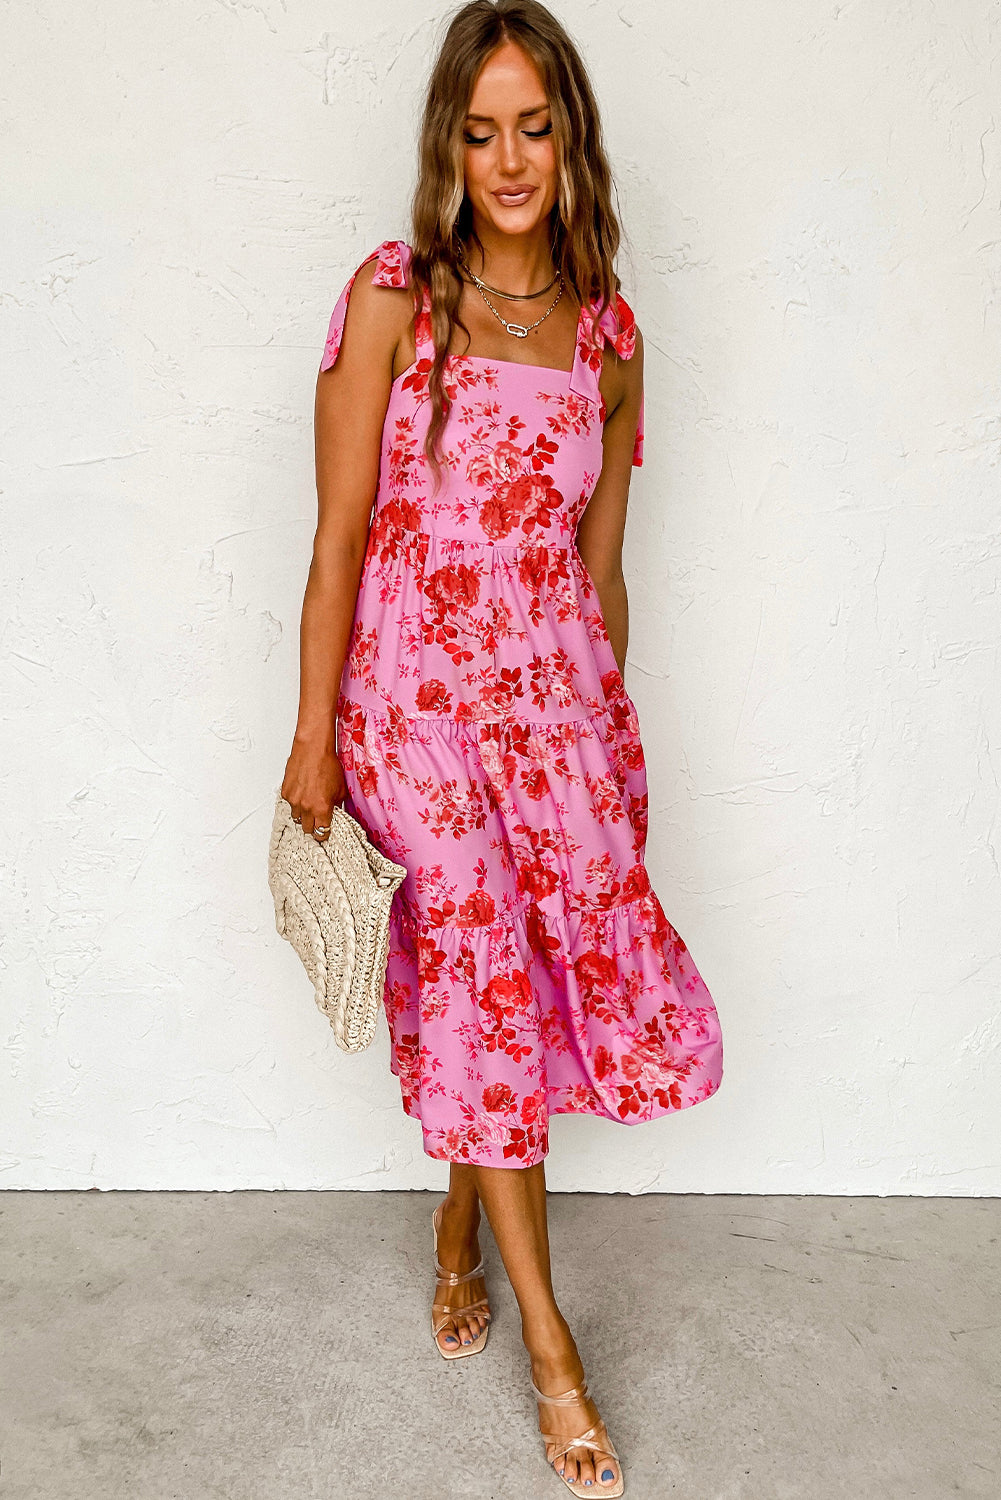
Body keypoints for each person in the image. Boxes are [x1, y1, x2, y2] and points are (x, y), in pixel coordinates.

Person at [281, 2, 724, 1492]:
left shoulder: (609, 337)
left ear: (571, 139)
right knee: (477, 976)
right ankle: (553, 1349)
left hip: (552, 719)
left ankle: (461, 1219)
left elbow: (602, 570)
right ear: (447, 146)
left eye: (534, 125)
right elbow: (339, 542)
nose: (509, 157)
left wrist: (609, 733)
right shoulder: (396, 301)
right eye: (480, 130)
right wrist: (307, 743)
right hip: (409, 709)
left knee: (532, 987)